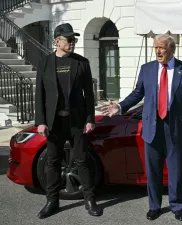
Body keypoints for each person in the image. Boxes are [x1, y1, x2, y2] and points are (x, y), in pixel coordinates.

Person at [101, 34, 182, 221]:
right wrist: (120, 106)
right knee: (153, 170)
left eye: (161, 47)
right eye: (155, 47)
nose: (157, 51)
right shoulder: (147, 69)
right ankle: (154, 206)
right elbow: (137, 93)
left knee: (175, 170)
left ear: (171, 49)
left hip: (174, 127)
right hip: (152, 127)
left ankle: (177, 206)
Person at [34, 23, 103, 219]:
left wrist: (90, 119)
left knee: (82, 160)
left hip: (77, 121)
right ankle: (52, 201)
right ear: (57, 41)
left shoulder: (82, 63)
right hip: (54, 122)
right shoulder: (45, 63)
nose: (73, 43)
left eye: (74, 40)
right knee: (53, 162)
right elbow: (39, 95)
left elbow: (89, 95)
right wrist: (41, 121)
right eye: (69, 39)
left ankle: (90, 200)